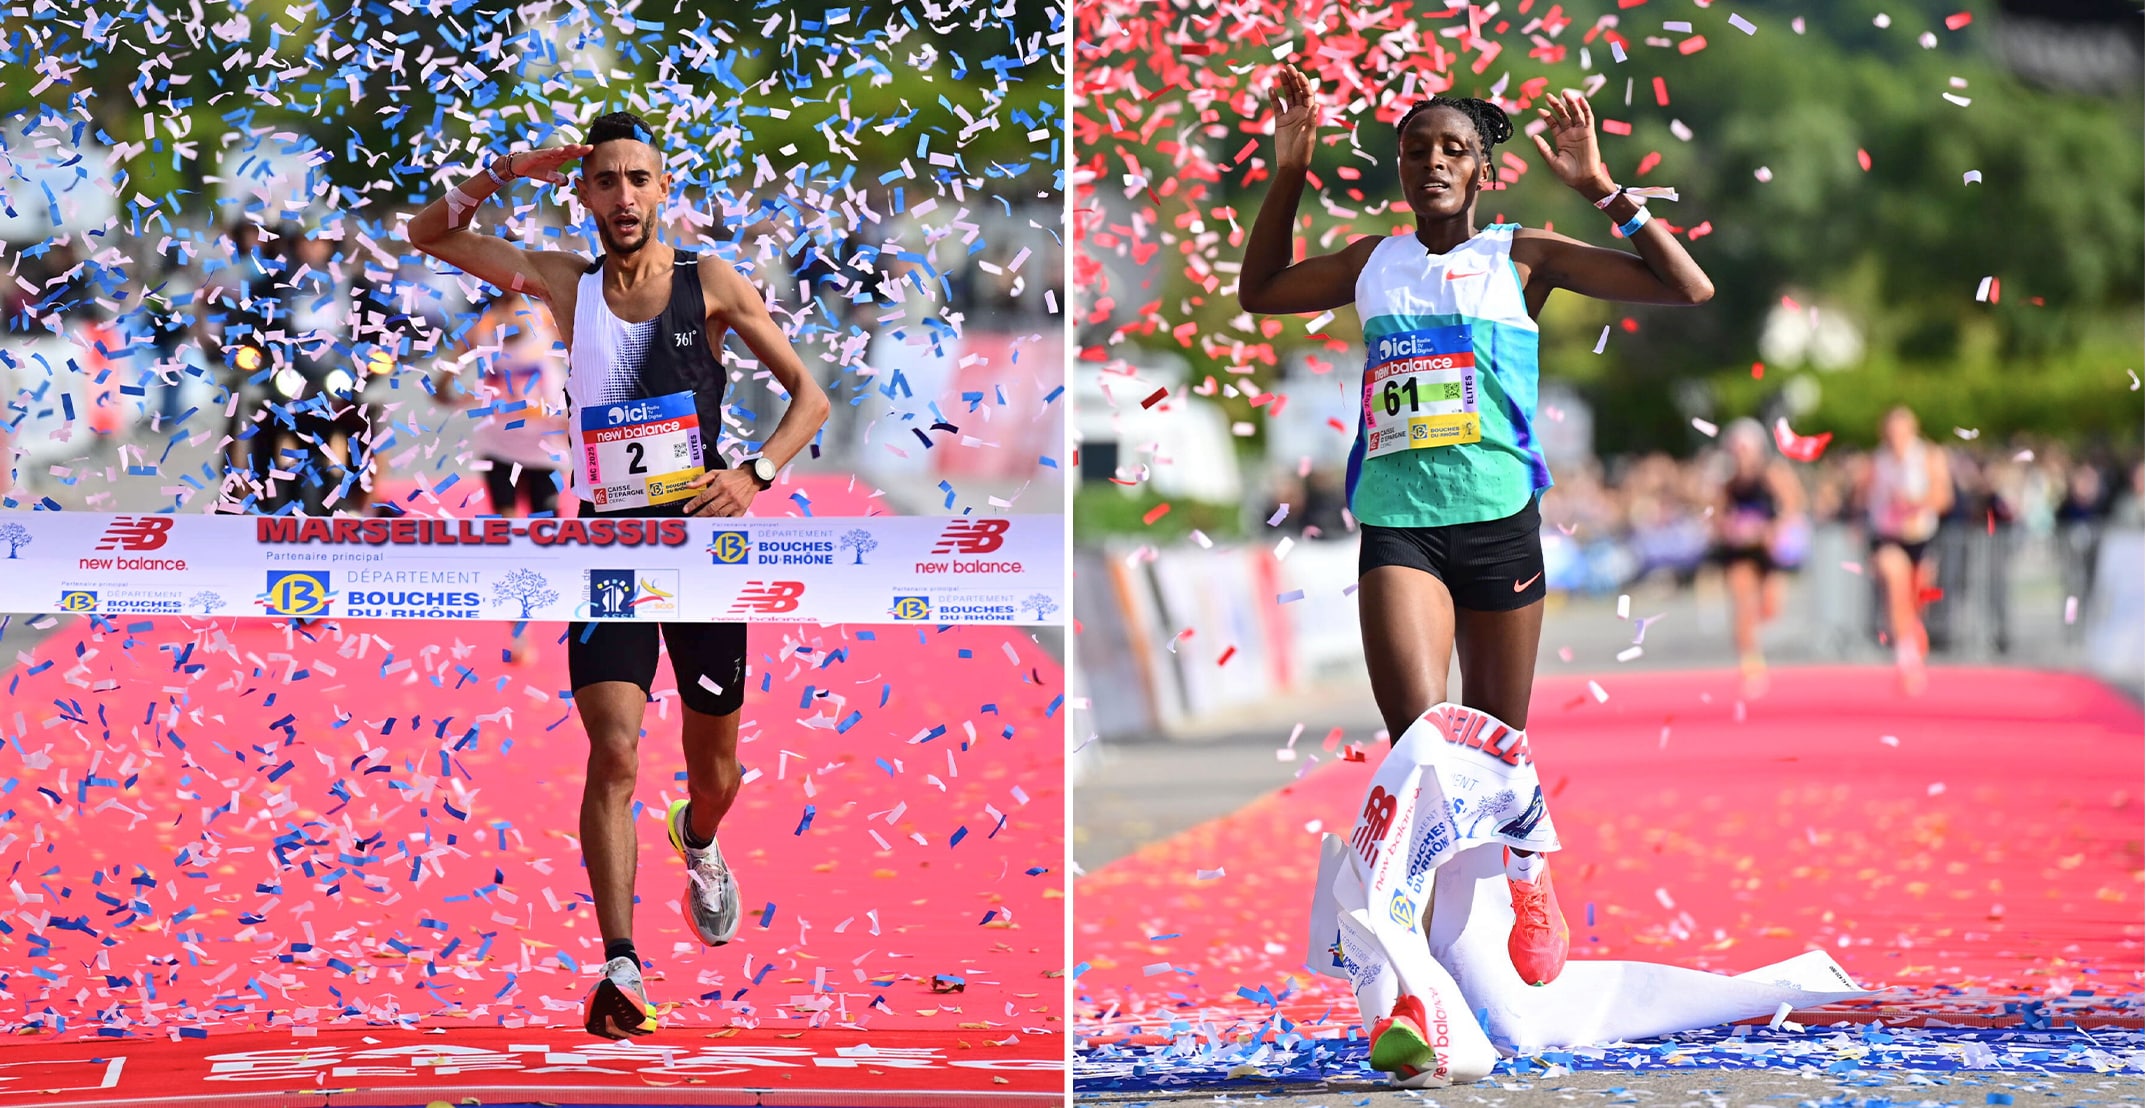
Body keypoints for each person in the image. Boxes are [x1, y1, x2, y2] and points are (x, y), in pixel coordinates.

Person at [1237, 67, 1713, 1078]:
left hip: (1501, 523)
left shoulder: (1520, 255)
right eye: (1417, 150)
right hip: (1399, 526)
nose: (1434, 162)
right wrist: (1288, 172)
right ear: (1400, 170)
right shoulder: (1372, 262)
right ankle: (1412, 985)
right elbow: (1260, 292)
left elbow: (1686, 285)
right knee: (1420, 753)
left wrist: (1599, 186)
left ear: (1485, 170)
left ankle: (1528, 857)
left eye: (1453, 149)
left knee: (1499, 748)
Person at [408, 111, 831, 1039]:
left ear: (662, 189)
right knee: (616, 749)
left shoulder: (708, 282)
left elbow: (812, 397)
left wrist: (755, 472)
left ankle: (701, 837)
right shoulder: (567, 285)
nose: (625, 197)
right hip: (609, 553)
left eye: (639, 179)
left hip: (705, 555)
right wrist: (514, 165)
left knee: (712, 773)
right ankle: (622, 966)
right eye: (607, 181)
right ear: (585, 195)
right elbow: (428, 234)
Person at [1706, 419, 1806, 696]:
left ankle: (1751, 640)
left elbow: (1792, 506)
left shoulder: (1773, 475)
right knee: (1742, 603)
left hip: (1768, 551)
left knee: (1769, 609)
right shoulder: (1727, 483)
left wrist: (1771, 530)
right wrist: (1728, 528)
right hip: (1739, 552)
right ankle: (1751, 664)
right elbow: (1715, 517)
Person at [1860, 407, 1953, 692]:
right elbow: (1862, 497)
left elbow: (1943, 497)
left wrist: (1915, 502)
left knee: (1916, 598)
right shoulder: (1877, 461)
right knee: (1895, 583)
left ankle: (1912, 636)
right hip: (1888, 537)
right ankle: (1906, 655)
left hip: (1920, 537)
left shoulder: (1928, 457)